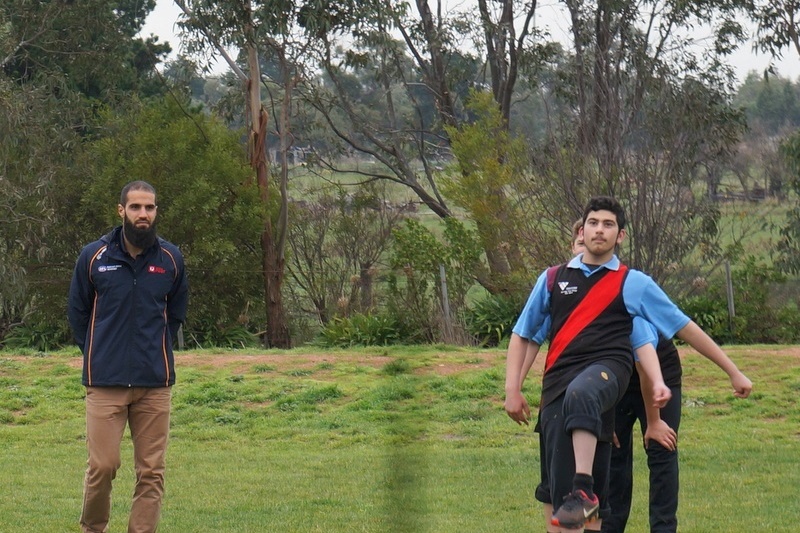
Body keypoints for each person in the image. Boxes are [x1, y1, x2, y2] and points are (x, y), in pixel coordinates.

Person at [505, 196, 752, 532]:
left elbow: (682, 327)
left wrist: (732, 370)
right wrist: (513, 390)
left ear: (620, 235)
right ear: (582, 228)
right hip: (557, 390)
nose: (599, 230)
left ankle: (583, 487)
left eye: (608, 225)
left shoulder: (632, 283)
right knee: (563, 509)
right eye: (593, 223)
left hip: (606, 376)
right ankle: (581, 491)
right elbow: (524, 334)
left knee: (584, 401)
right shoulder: (551, 279)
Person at [508, 218, 671, 533]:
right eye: (580, 250)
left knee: (588, 503)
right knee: (555, 497)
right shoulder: (559, 291)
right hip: (557, 405)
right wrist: (513, 389)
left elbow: (643, 352)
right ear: (574, 247)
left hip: (597, 401)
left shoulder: (618, 301)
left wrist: (653, 415)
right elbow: (529, 337)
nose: (587, 261)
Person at [68, 180, 189, 533]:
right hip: (105, 382)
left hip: (154, 383)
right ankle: (93, 527)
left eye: (149, 208)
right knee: (103, 466)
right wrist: (97, 351)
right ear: (121, 210)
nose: (143, 214)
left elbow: (175, 314)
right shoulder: (94, 256)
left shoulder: (171, 259)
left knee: (151, 472)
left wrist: (155, 349)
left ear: (156, 212)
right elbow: (78, 313)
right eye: (135, 207)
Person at [602, 316, 751, 533]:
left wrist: (654, 422)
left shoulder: (634, 297)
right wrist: (602, 414)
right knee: (609, 453)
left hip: (660, 372)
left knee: (662, 446)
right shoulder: (585, 300)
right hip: (614, 376)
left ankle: (664, 529)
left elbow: (679, 336)